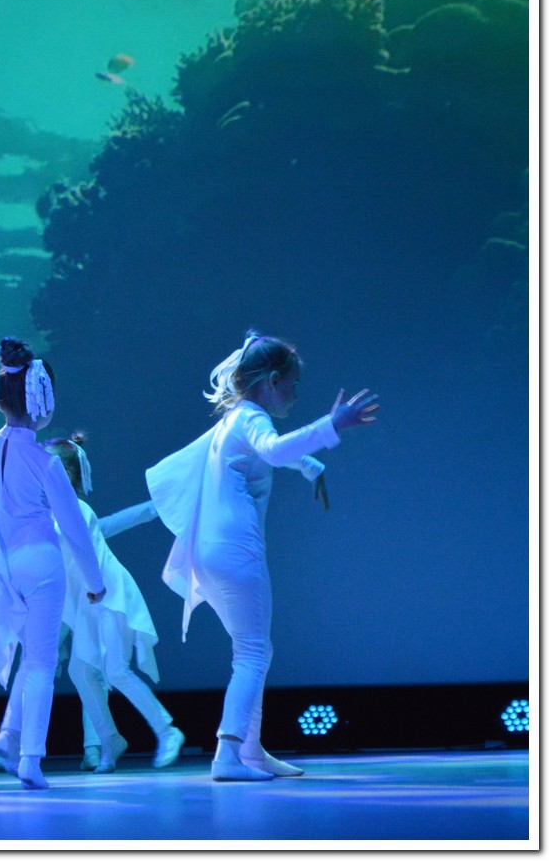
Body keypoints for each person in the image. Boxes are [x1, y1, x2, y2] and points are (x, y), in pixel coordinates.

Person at [146, 331, 379, 781]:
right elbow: (271, 449)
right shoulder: (251, 417)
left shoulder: (234, 420)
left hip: (209, 550)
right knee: (252, 652)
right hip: (236, 551)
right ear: (272, 380)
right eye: (292, 384)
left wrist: (309, 465)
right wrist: (331, 426)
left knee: (254, 649)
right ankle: (227, 754)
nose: (295, 393)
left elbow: (265, 454)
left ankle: (250, 752)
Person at [0, 337, 107, 790]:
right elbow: (75, 529)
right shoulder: (46, 463)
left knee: (28, 660)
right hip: (41, 566)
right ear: (45, 406)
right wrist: (95, 581)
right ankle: (30, 759)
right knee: (39, 664)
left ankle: (12, 742)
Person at [43, 435, 186, 774]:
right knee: (81, 671)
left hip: (107, 594)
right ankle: (109, 739)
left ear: (65, 474)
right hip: (89, 601)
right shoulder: (52, 512)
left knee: (116, 670)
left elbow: (83, 555)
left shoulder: (76, 509)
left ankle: (167, 731)